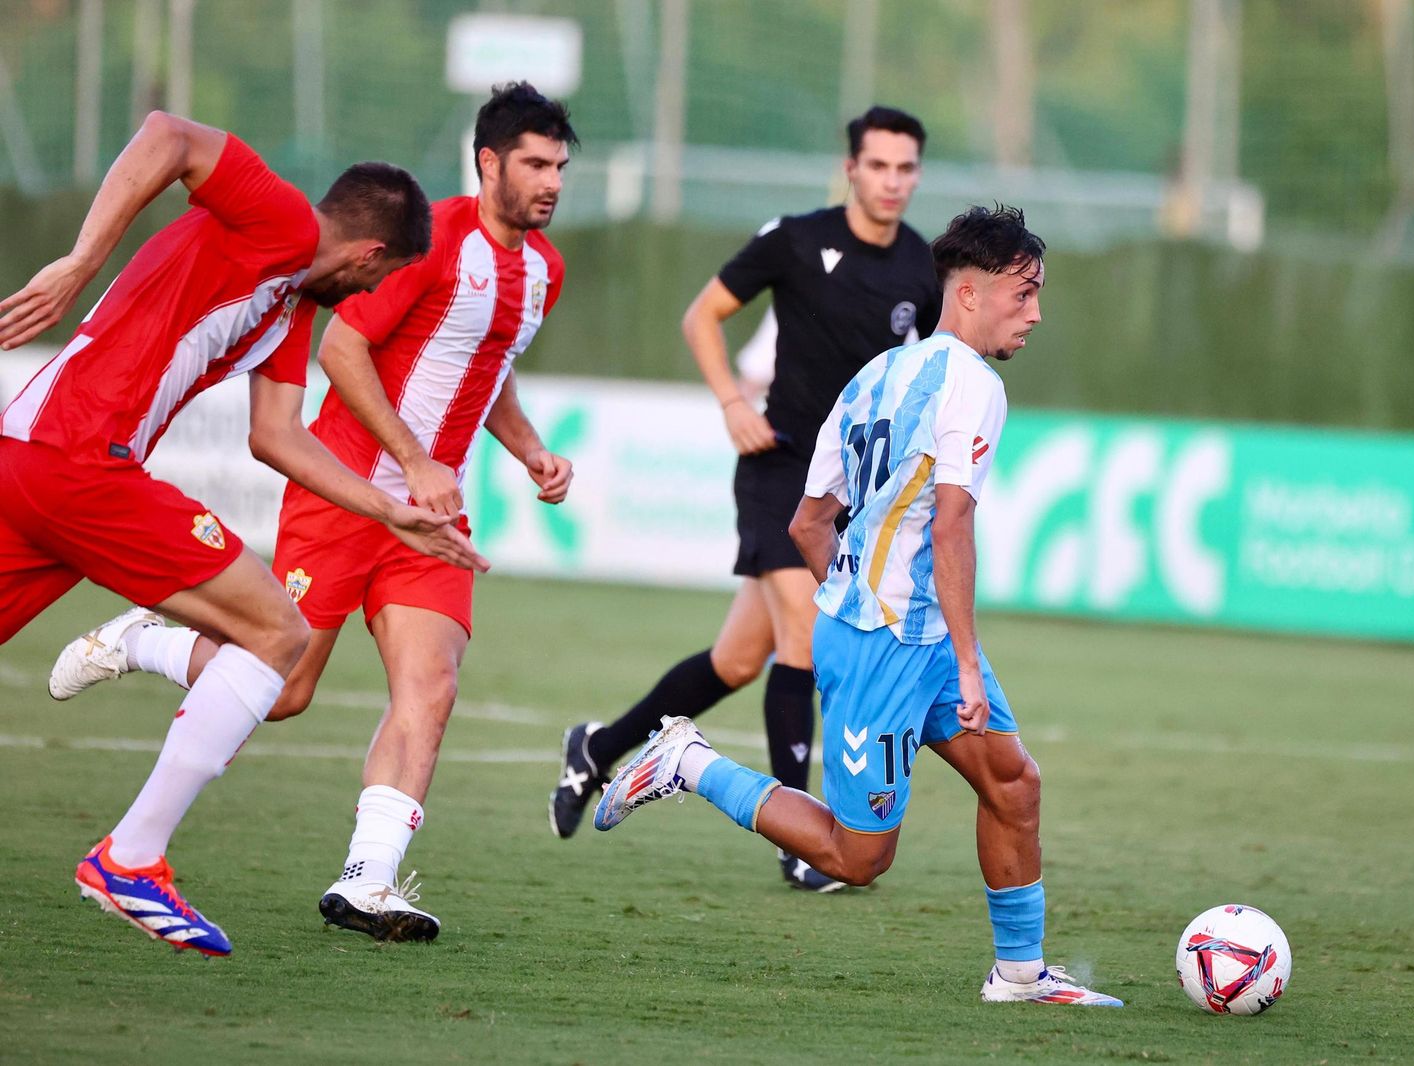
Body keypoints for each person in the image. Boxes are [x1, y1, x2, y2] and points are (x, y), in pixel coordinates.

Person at [50, 84, 578, 943]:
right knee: (286, 689)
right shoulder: (431, 237)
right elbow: (343, 346)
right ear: (489, 163)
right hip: (346, 496)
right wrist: (411, 463)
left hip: (430, 523)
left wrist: (530, 452)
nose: (551, 181)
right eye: (534, 163)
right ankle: (142, 640)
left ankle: (367, 881)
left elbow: (489, 367)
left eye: (559, 165)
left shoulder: (544, 272)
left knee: (432, 687)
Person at [590, 205, 1123, 1006]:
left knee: (1014, 785)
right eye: (1025, 293)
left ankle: (1019, 975)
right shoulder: (973, 386)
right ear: (970, 294)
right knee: (857, 857)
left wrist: (856, 593)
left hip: (905, 633)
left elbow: (810, 522)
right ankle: (688, 762)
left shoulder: (875, 374)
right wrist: (959, 660)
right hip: (884, 647)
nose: (1036, 312)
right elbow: (950, 526)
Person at [549, 106, 941, 893]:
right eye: (879, 166)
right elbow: (703, 315)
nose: (892, 182)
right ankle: (802, 841)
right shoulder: (797, 238)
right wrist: (733, 401)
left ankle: (598, 746)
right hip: (778, 467)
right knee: (805, 633)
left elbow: (918, 377)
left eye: (906, 169)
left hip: (844, 492)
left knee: (736, 659)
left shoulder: (923, 270)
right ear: (851, 169)